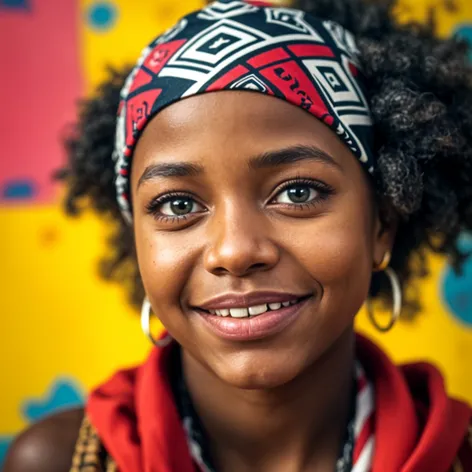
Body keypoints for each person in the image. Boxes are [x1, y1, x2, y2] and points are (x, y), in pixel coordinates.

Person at [4, 0, 472, 470]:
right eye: (178, 205)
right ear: (138, 240)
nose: (235, 251)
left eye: (297, 192)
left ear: (381, 225)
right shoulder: (57, 461)